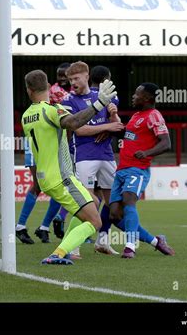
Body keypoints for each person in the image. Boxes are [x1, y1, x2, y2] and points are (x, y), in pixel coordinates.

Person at [21, 68, 117, 265]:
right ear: (48, 87)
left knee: (91, 202)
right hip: (61, 177)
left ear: (29, 90)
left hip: (44, 178)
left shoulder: (26, 116)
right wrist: (99, 104)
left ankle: (67, 250)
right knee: (95, 221)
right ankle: (59, 253)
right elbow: (73, 123)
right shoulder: (52, 110)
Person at [60, 63, 125, 256]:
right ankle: (73, 246)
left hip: (106, 155)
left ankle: (102, 241)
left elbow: (118, 126)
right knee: (88, 202)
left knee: (114, 203)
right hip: (85, 156)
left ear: (87, 76)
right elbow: (78, 129)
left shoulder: (102, 96)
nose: (73, 83)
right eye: (70, 80)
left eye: (76, 78)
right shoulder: (68, 100)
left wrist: (113, 115)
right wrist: (105, 128)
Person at [109, 83, 175, 259]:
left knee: (129, 200)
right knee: (114, 215)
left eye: (137, 94)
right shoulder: (136, 116)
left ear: (147, 98)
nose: (133, 96)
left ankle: (130, 246)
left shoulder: (154, 116)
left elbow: (166, 143)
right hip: (121, 168)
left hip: (137, 169)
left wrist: (146, 153)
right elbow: (130, 137)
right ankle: (155, 241)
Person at [15, 63, 72, 244]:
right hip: (38, 141)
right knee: (38, 185)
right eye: (59, 75)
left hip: (55, 141)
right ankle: (22, 226)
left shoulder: (71, 92)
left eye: (66, 75)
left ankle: (43, 227)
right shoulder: (55, 91)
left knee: (60, 185)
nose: (62, 78)